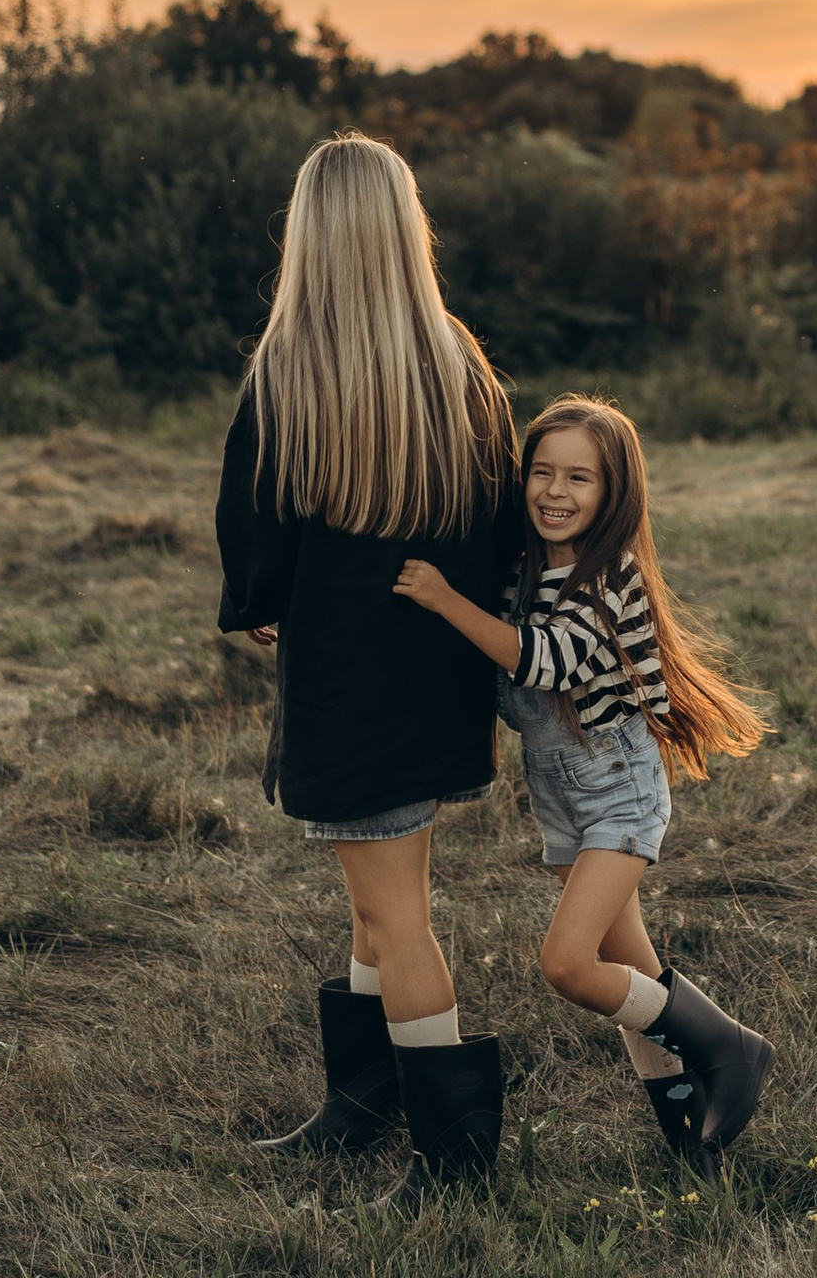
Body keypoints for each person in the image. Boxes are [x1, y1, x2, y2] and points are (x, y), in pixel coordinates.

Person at [215, 131, 522, 1193]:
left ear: (309, 234)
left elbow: (254, 522)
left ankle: (454, 1161)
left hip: (351, 684)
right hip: (435, 674)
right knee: (375, 902)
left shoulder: (289, 370)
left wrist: (261, 601)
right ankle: (362, 1102)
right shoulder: (457, 361)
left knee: (397, 916)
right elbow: (499, 517)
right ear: (404, 230)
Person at [394, 394, 774, 1166]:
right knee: (632, 971)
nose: (555, 491)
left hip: (618, 794)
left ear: (614, 492)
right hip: (562, 798)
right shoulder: (523, 570)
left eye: (579, 478)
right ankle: (689, 1139)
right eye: (542, 472)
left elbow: (544, 660)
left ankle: (727, 1046)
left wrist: (442, 597)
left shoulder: (609, 578)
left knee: (568, 964)